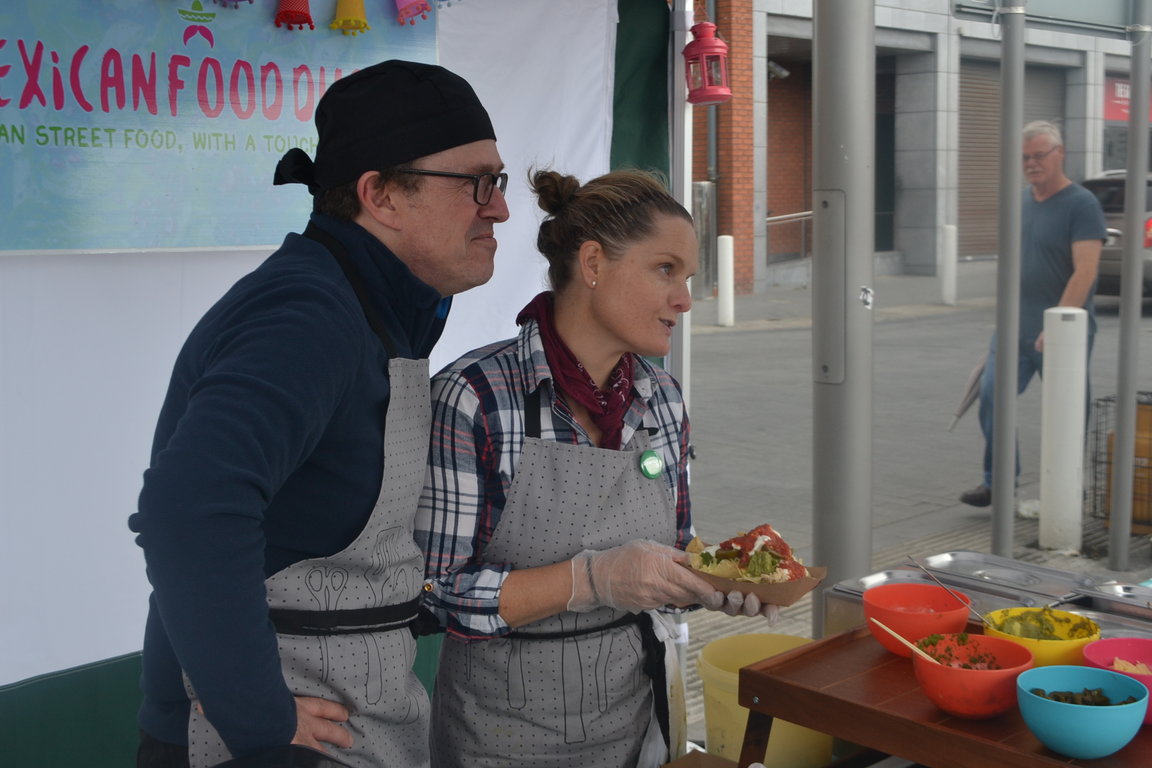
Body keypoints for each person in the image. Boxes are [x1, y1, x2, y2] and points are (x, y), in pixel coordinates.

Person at [128, 60, 509, 768]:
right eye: (476, 184)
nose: (500, 209)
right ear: (381, 196)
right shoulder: (307, 317)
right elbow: (190, 511)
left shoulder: (376, 304)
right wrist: (256, 715)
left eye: (500, 182)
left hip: (353, 711)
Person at [415, 169, 778, 768]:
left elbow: (679, 546)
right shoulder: (475, 397)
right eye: (666, 269)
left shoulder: (663, 398)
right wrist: (589, 580)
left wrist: (721, 581)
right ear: (592, 263)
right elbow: (435, 592)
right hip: (500, 736)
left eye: (687, 278)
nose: (685, 299)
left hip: (631, 727)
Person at [959, 120, 1105, 507]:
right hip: (1013, 328)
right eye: (1025, 157)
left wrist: (1057, 320)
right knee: (991, 396)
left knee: (1067, 410)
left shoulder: (1082, 204)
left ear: (1060, 154)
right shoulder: (1020, 201)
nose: (1031, 163)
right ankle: (998, 481)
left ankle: (1069, 486)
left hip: (1063, 329)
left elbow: (1086, 270)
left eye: (1039, 155)